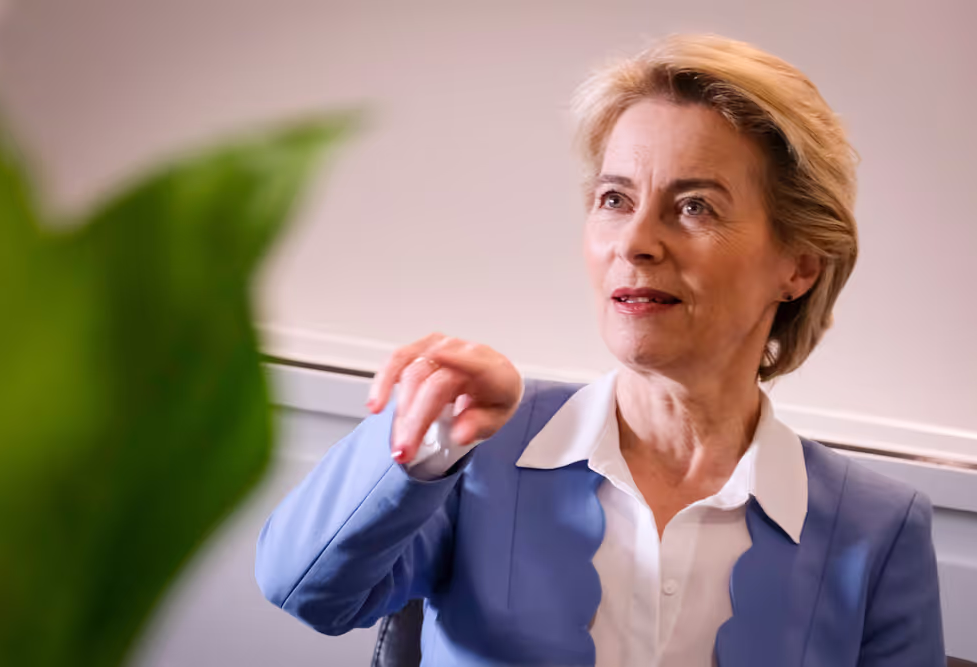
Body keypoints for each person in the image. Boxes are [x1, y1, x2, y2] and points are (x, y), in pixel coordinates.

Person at [254, 34, 945, 666]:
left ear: (800, 264)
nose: (635, 241)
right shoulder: (479, 451)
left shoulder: (880, 532)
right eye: (615, 198)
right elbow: (302, 589)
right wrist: (431, 435)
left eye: (694, 206)